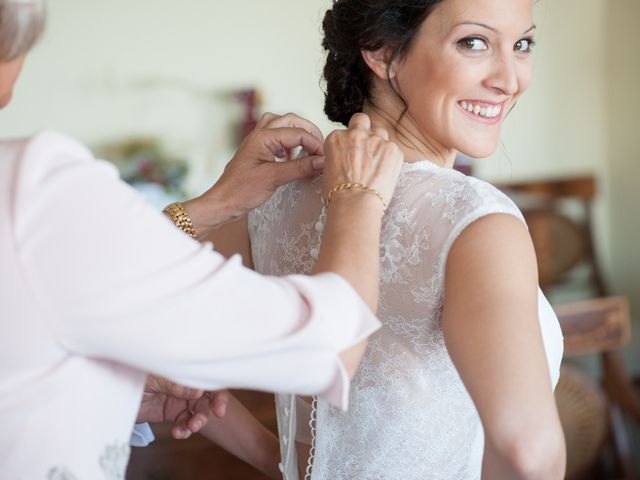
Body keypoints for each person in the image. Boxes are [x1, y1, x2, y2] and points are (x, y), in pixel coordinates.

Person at [0, 0, 405, 478]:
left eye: (522, 45)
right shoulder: (31, 185)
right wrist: (357, 196)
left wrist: (218, 204)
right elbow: (327, 347)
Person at [208, 0, 567, 478]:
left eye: (522, 44)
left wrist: (273, 459)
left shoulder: (271, 197)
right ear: (382, 51)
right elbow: (529, 456)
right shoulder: (477, 220)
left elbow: (152, 343)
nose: (510, 78)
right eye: (474, 43)